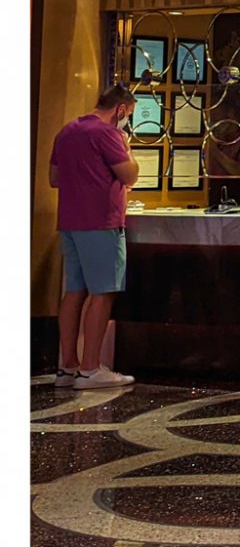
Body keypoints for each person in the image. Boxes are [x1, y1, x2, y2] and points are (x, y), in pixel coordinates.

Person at [49, 84, 140, 389]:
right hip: (101, 222)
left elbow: (54, 178)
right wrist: (127, 147)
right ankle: (90, 369)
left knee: (74, 290)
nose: (127, 120)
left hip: (70, 221)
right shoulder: (107, 133)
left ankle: (67, 367)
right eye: (129, 114)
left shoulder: (66, 131)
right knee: (103, 292)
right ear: (121, 109)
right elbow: (130, 175)